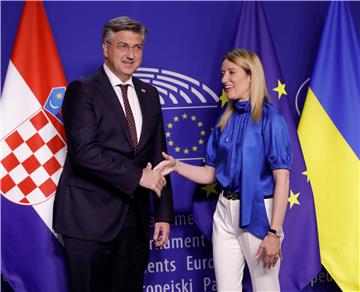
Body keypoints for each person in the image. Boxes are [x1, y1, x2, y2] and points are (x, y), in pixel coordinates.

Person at [53, 16, 174, 292]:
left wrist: (164, 212)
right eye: (123, 46)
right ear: (106, 49)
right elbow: (84, 152)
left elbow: (159, 155)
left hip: (136, 221)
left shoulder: (149, 94)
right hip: (89, 221)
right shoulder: (82, 91)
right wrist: (137, 176)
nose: (131, 55)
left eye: (138, 47)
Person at [155, 49, 292, 291]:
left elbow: (282, 178)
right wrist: (176, 166)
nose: (224, 80)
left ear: (251, 76)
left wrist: (274, 232)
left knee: (266, 287)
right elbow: (210, 174)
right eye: (222, 73)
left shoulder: (272, 119)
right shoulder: (224, 121)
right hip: (225, 212)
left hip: (259, 211)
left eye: (231, 73)